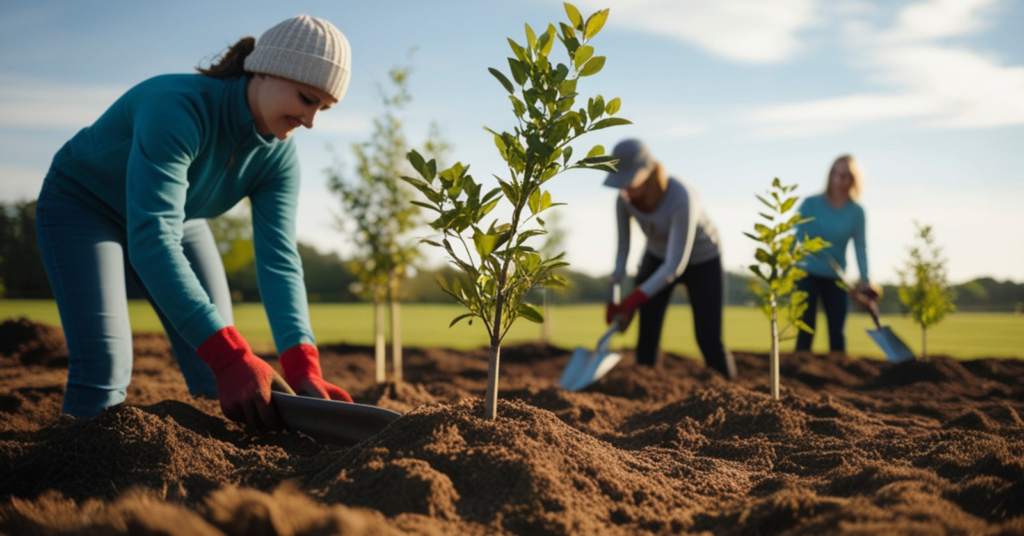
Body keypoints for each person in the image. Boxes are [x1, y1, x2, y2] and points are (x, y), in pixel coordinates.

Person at [35, 15, 353, 429]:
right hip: (83, 208)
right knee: (106, 366)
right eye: (306, 99)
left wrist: (303, 365)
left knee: (215, 365)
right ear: (266, 69)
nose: (311, 121)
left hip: (177, 219)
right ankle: (71, 476)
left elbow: (279, 261)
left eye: (324, 108)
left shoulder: (279, 156)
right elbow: (152, 239)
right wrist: (232, 357)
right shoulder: (176, 107)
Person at [603, 139, 736, 379]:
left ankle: (732, 391)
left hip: (702, 260)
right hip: (656, 256)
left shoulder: (680, 197)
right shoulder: (624, 200)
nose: (624, 190)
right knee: (647, 334)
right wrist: (615, 291)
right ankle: (644, 391)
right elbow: (623, 247)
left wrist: (634, 299)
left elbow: (675, 265)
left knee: (708, 337)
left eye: (629, 181)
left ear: (648, 171)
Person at [793, 154, 872, 353]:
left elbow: (860, 247)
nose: (839, 179)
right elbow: (796, 239)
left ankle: (838, 380)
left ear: (853, 180)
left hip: (836, 278)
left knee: (837, 332)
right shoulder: (810, 204)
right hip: (806, 274)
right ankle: (797, 376)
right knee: (805, 328)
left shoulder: (856, 212)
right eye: (835, 174)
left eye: (844, 175)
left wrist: (865, 281)